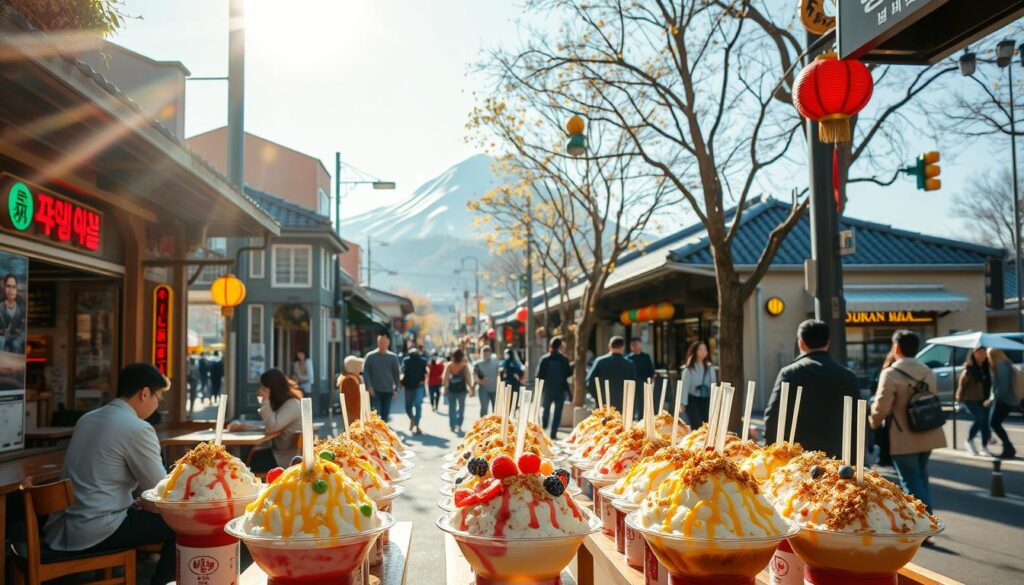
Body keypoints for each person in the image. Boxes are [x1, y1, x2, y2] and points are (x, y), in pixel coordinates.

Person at [43, 363, 175, 585]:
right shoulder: (137, 428)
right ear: (145, 393)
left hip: (65, 527)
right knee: (185, 526)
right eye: (158, 398)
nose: (156, 404)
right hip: (99, 528)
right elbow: (162, 491)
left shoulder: (87, 418)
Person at [870, 330, 946, 513]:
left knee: (910, 480)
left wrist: (873, 421)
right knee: (921, 476)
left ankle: (925, 522)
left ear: (896, 347)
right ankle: (927, 520)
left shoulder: (890, 373)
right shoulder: (927, 371)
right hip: (928, 431)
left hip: (903, 435)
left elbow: (882, 406)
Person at [765, 320, 860, 457]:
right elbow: (857, 420)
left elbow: (774, 416)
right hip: (839, 458)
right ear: (828, 343)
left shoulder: (790, 373)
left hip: (798, 459)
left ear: (801, 343)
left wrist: (772, 452)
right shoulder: (848, 376)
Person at [251, 368, 303, 470]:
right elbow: (271, 424)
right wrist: (247, 427)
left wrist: (265, 401)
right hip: (279, 453)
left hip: (284, 459)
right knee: (250, 452)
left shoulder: (292, 404)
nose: (259, 391)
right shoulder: (284, 402)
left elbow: (272, 427)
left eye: (263, 388)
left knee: (248, 457)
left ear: (273, 388)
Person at [955, 347, 992, 456]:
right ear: (973, 354)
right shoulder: (969, 368)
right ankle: (969, 440)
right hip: (969, 399)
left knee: (985, 422)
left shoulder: (986, 367)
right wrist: (958, 399)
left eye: (984, 353)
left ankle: (984, 447)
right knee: (980, 418)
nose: (982, 355)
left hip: (984, 398)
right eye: (979, 353)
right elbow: (961, 385)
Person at [585, 336, 636, 411]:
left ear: (610, 346)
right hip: (622, 402)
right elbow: (633, 383)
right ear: (623, 347)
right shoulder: (629, 364)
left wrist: (597, 396)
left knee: (602, 422)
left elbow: (589, 381)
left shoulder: (600, 362)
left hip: (603, 402)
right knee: (619, 422)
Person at [537, 336, 573, 439]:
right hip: (560, 389)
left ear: (550, 346)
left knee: (546, 410)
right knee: (557, 412)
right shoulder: (564, 359)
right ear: (560, 347)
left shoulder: (545, 359)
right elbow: (568, 373)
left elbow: (539, 376)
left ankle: (543, 430)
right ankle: (553, 433)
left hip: (547, 389)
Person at [987, 348, 1018, 459]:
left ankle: (1009, 448)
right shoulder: (1005, 363)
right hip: (1008, 399)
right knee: (995, 423)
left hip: (1004, 400)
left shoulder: (1001, 366)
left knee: (994, 423)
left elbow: (1002, 386)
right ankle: (1008, 447)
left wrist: (994, 398)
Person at [363, 333, 401, 422]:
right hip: (375, 390)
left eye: (384, 343)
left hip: (388, 390)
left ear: (388, 343)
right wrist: (369, 387)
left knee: (385, 414)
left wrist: (396, 390)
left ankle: (383, 433)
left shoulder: (392, 357)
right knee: (376, 413)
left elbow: (396, 374)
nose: (382, 344)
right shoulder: (370, 356)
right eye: (380, 342)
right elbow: (366, 372)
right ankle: (375, 433)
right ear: (377, 343)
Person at [680, 341, 717, 429]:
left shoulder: (710, 367)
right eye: (700, 349)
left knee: (706, 424)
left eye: (705, 349)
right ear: (695, 351)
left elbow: (714, 384)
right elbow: (684, 387)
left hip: (706, 400)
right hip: (693, 400)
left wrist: (715, 400)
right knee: (696, 424)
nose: (703, 351)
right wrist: (682, 403)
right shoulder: (688, 369)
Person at [444, 348, 475, 433]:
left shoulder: (449, 365)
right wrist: (471, 388)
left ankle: (452, 425)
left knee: (452, 408)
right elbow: (468, 378)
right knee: (461, 408)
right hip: (462, 390)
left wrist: (445, 389)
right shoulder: (464, 366)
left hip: (451, 390)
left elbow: (445, 378)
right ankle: (459, 424)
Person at [626, 337, 656, 418]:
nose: (635, 347)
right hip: (632, 385)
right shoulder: (628, 358)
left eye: (636, 345)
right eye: (633, 345)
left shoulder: (646, 357)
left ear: (640, 345)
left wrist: (651, 383)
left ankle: (641, 419)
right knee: (631, 404)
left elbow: (651, 371)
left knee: (643, 405)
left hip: (644, 385)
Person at [401, 347, 428, 434]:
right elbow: (425, 373)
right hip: (415, 386)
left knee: (412, 406)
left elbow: (402, 371)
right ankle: (415, 423)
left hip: (412, 386)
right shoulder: (422, 360)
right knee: (415, 406)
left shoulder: (407, 360)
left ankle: (414, 422)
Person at [0, 272, 26, 353]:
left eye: (14, 287)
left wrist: (17, 341)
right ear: (4, 287)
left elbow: (23, 332)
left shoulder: (22, 309)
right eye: (8, 286)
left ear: (17, 289)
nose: (11, 290)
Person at [337, 356, 364, 429]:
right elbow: (352, 400)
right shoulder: (348, 380)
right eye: (358, 366)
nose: (360, 368)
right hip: (353, 415)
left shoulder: (352, 377)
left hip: (355, 413)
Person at [474, 346, 500, 417]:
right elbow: (475, 376)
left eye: (487, 353)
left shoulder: (496, 362)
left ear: (490, 353)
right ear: (481, 353)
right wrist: (479, 381)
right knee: (484, 409)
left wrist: (499, 384)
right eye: (484, 353)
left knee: (496, 409)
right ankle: (482, 425)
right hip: (483, 389)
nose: (485, 355)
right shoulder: (477, 364)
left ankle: (495, 425)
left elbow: (499, 374)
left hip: (495, 388)